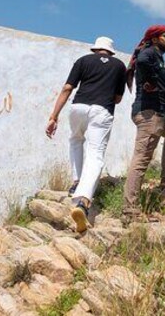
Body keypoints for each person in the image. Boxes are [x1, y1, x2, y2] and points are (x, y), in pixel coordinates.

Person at [46, 36, 127, 233]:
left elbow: (67, 88)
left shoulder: (83, 60)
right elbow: (117, 99)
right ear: (111, 51)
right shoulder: (119, 66)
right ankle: (83, 200)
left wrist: (53, 116)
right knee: (95, 153)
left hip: (78, 107)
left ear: (95, 49)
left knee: (75, 140)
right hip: (102, 110)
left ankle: (76, 182)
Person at [122, 24, 165, 219]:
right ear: (155, 39)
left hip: (160, 114)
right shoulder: (148, 54)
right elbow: (142, 61)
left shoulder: (158, 57)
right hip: (149, 114)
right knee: (141, 160)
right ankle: (130, 210)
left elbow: (164, 86)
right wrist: (150, 81)